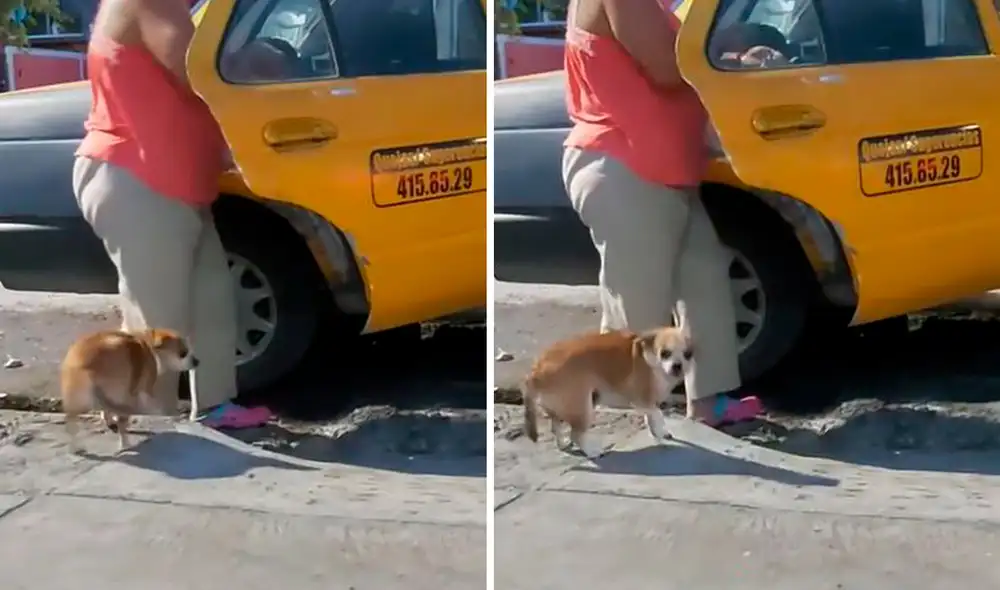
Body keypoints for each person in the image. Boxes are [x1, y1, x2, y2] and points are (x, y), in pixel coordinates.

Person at [560, 0, 763, 427]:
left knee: (706, 280)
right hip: (625, 169)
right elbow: (667, 67)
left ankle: (706, 402)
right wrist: (730, 54)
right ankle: (616, 422)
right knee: (638, 308)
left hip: (664, 173)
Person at [72, 0, 273, 429]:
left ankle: (215, 408)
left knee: (214, 306)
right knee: (160, 324)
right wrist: (265, 59)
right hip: (140, 182)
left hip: (178, 188)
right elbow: (198, 71)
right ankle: (151, 424)